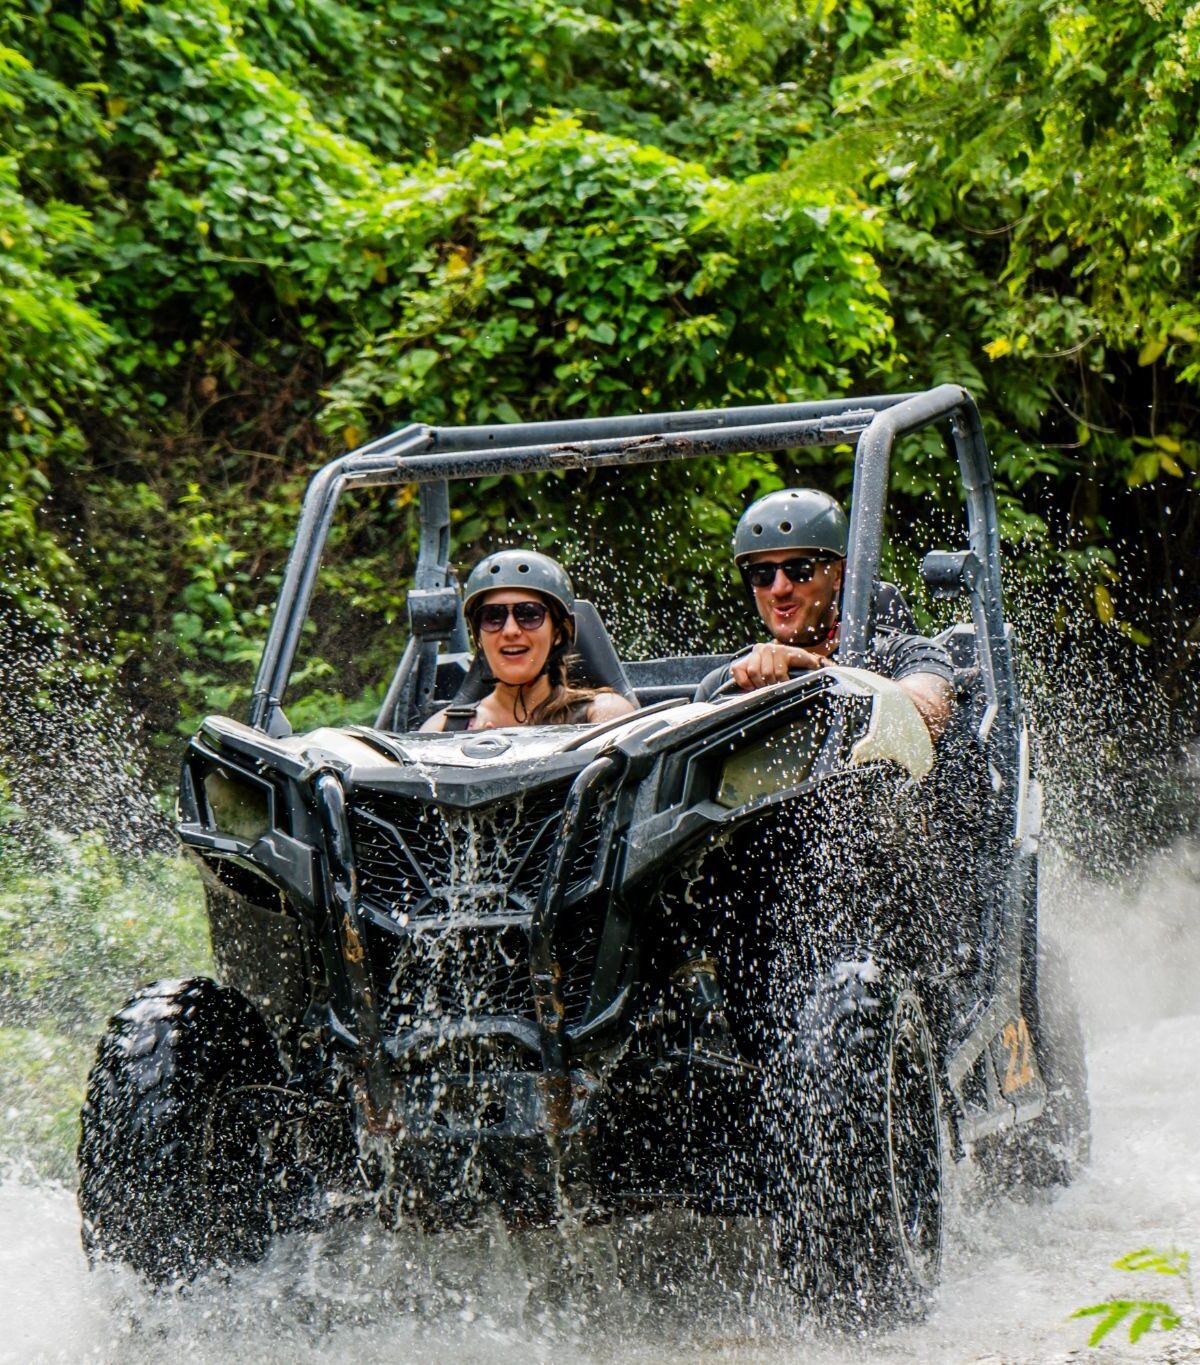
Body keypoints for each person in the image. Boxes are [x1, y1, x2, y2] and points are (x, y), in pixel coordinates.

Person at [695, 489, 955, 737]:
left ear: (838, 574)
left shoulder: (904, 655)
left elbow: (927, 717)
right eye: (762, 574)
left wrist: (824, 673)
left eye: (799, 570)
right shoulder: (725, 683)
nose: (780, 588)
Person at [421, 549, 636, 732]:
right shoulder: (443, 731)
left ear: (559, 632)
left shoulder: (602, 715)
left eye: (529, 614)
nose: (510, 630)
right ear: (478, 637)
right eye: (493, 617)